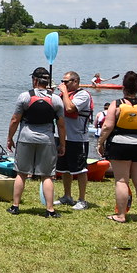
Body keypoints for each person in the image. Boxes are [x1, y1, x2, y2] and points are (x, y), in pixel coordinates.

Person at [98, 71, 137, 223]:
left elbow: (107, 126)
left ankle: (121, 215)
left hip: (120, 144)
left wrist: (100, 142)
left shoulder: (116, 104)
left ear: (123, 88)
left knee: (122, 181)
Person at [6, 66, 66, 218]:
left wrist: (10, 138)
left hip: (26, 138)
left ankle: (15, 206)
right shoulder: (56, 99)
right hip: (47, 139)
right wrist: (63, 144)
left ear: (34, 80)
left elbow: (15, 120)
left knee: (21, 173)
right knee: (47, 175)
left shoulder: (24, 96)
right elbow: (61, 124)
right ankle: (50, 210)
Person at [54, 71, 93, 210]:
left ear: (75, 82)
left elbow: (70, 108)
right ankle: (67, 196)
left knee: (80, 170)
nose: (63, 84)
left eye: (67, 82)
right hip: (63, 137)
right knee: (64, 169)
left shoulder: (83, 95)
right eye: (62, 82)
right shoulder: (63, 95)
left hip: (78, 139)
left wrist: (63, 92)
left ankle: (82, 200)